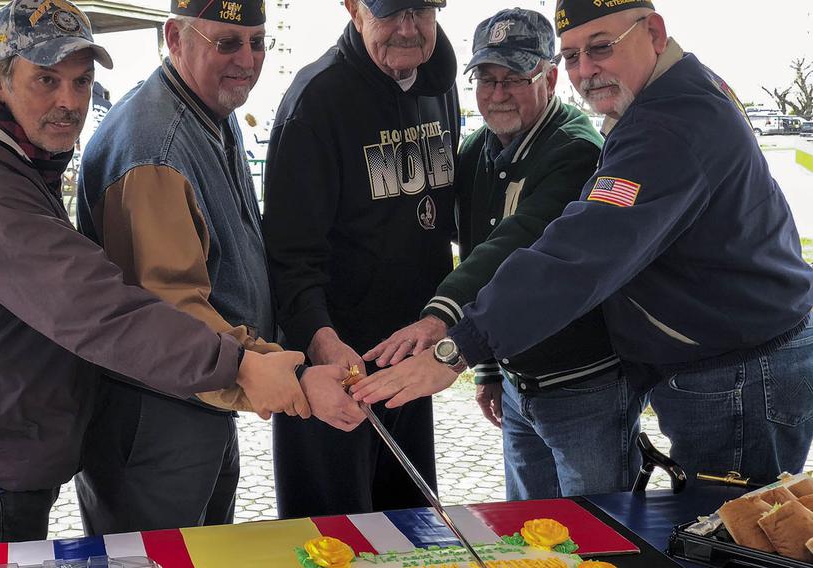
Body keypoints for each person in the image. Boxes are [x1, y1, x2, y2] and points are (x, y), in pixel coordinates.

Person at [352, 0, 813, 487]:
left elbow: (577, 257)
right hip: (721, 359)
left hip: (739, 371)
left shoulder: (665, 125)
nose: (586, 71)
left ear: (653, 32)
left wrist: (458, 346)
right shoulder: (663, 93)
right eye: (572, 55)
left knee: (733, 536)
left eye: (600, 49)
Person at [0, 0, 310, 549]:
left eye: (81, 80)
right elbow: (96, 308)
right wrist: (241, 365)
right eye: (46, 79)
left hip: (15, 435)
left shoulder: (16, 154)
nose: (69, 101)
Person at [75, 0, 361, 535]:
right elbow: (172, 313)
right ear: (175, 39)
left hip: (205, 396)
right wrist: (292, 376)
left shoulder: (207, 110)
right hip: (157, 413)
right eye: (227, 42)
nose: (247, 60)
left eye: (257, 41)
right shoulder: (154, 147)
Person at [364, 8, 639, 500]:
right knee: (526, 530)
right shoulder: (475, 152)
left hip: (584, 387)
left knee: (604, 531)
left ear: (551, 77)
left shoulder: (575, 150)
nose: (497, 94)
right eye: (485, 79)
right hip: (517, 385)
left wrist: (440, 319)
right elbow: (469, 245)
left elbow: (514, 242)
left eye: (515, 77)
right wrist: (489, 369)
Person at [262, 0, 458, 518]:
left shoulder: (440, 80)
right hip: (333, 364)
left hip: (410, 360)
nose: (407, 28)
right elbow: (288, 254)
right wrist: (324, 343)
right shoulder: (316, 99)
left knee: (414, 527)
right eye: (390, 12)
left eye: (421, 10)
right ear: (352, 8)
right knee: (334, 532)